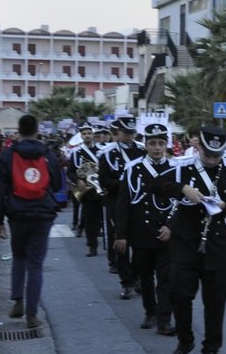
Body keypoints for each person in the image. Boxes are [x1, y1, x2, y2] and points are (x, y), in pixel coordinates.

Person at [156, 126, 226, 354]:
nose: (212, 160)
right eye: (208, 155)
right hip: (185, 242)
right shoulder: (181, 167)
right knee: (180, 295)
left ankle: (212, 351)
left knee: (216, 301)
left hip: (216, 243)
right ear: (199, 149)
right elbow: (156, 184)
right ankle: (185, 342)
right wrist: (182, 189)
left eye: (217, 156)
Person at [0, 114, 67, 330]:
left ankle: (17, 300)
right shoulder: (48, 154)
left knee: (19, 255)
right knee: (35, 264)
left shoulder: (7, 155)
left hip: (17, 213)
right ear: (36, 130)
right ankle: (32, 314)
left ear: (19, 130)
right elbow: (55, 183)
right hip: (42, 213)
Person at [115, 121, 178, 334]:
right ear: (145, 145)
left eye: (161, 143)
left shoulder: (176, 168)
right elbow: (123, 204)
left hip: (166, 233)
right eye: (152, 143)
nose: (157, 148)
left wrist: (171, 226)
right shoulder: (133, 169)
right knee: (145, 276)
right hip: (141, 232)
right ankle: (150, 311)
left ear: (166, 144)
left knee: (166, 278)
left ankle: (164, 318)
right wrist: (121, 234)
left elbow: (181, 204)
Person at [98, 115, 140, 279]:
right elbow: (103, 179)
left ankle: (136, 275)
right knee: (119, 237)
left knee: (139, 241)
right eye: (126, 132)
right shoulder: (108, 153)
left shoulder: (142, 149)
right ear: (118, 132)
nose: (129, 136)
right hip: (116, 200)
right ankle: (125, 278)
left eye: (131, 132)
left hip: (138, 201)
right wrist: (122, 184)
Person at [70, 125, 107, 256]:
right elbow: (71, 172)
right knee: (90, 219)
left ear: (93, 135)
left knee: (103, 218)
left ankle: (107, 243)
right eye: (84, 133)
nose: (87, 135)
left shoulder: (102, 151)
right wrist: (77, 180)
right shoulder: (76, 153)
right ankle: (92, 246)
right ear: (81, 136)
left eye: (89, 133)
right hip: (87, 191)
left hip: (102, 189)